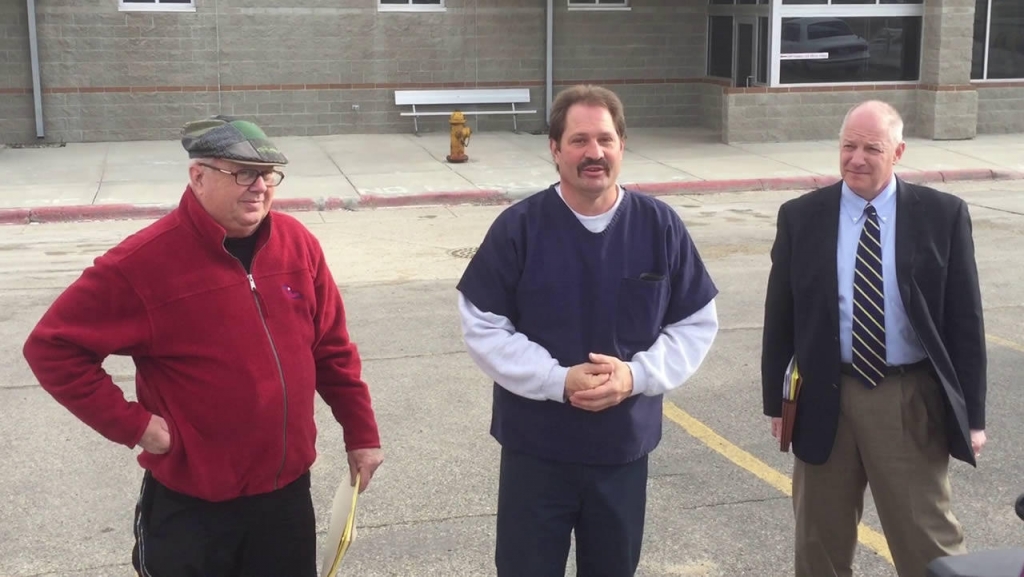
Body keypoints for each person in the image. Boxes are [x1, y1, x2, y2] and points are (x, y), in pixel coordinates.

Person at [22, 115, 384, 577]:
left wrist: (362, 434)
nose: (259, 187)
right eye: (242, 173)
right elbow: (52, 347)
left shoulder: (298, 246)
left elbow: (331, 349)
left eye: (268, 174)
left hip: (284, 499)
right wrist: (134, 425)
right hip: (193, 508)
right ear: (198, 177)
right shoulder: (143, 263)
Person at [456, 84, 720, 577]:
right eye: (578, 140)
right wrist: (556, 380)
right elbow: (483, 324)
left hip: (621, 452)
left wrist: (635, 377)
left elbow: (694, 321)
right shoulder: (520, 228)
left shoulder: (659, 226)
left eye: (605, 139)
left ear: (622, 145)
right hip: (536, 451)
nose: (593, 153)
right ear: (555, 149)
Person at [761, 100, 987, 577]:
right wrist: (776, 406)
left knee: (927, 539)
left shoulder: (942, 215)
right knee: (818, 541)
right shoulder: (801, 217)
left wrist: (974, 416)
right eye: (848, 146)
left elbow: (964, 321)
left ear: (898, 152)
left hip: (905, 396)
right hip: (824, 394)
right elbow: (780, 318)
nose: (856, 158)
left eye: (871, 148)